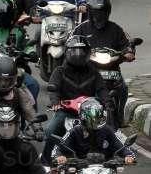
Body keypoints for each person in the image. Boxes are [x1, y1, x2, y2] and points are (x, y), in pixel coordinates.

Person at [41, 35, 108, 165]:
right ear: (67, 52)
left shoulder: (94, 72)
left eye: (82, 52)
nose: (78, 55)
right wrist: (55, 102)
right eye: (74, 51)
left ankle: (109, 160)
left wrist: (107, 102)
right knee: (50, 131)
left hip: (90, 112)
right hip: (66, 112)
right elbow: (53, 89)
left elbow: (102, 89)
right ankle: (46, 162)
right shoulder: (59, 71)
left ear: (88, 53)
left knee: (108, 130)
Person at [74, 0, 136, 128]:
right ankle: (74, 116)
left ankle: (119, 117)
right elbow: (71, 44)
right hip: (88, 71)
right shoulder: (81, 29)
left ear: (107, 12)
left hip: (112, 71)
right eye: (95, 12)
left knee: (123, 88)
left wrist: (129, 52)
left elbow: (127, 44)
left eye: (101, 12)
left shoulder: (116, 29)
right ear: (90, 12)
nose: (98, 15)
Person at [53, 98, 135, 165]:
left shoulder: (107, 130)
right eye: (91, 120)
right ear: (83, 118)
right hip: (80, 168)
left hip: (104, 168)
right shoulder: (76, 131)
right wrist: (59, 156)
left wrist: (128, 156)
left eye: (97, 118)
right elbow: (60, 146)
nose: (95, 122)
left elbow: (119, 145)